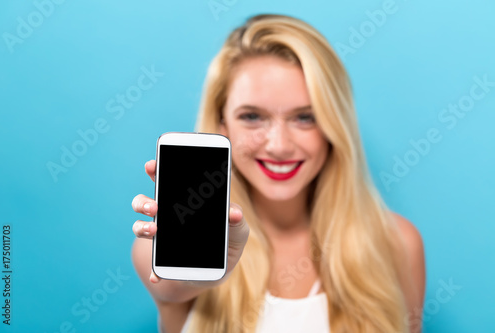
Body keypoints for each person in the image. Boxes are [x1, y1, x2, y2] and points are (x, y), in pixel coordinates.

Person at [131, 14, 426, 333]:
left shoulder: (397, 243)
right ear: (222, 125)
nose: (279, 146)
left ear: (334, 126)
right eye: (253, 116)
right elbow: (172, 285)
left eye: (305, 117)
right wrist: (209, 266)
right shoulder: (160, 245)